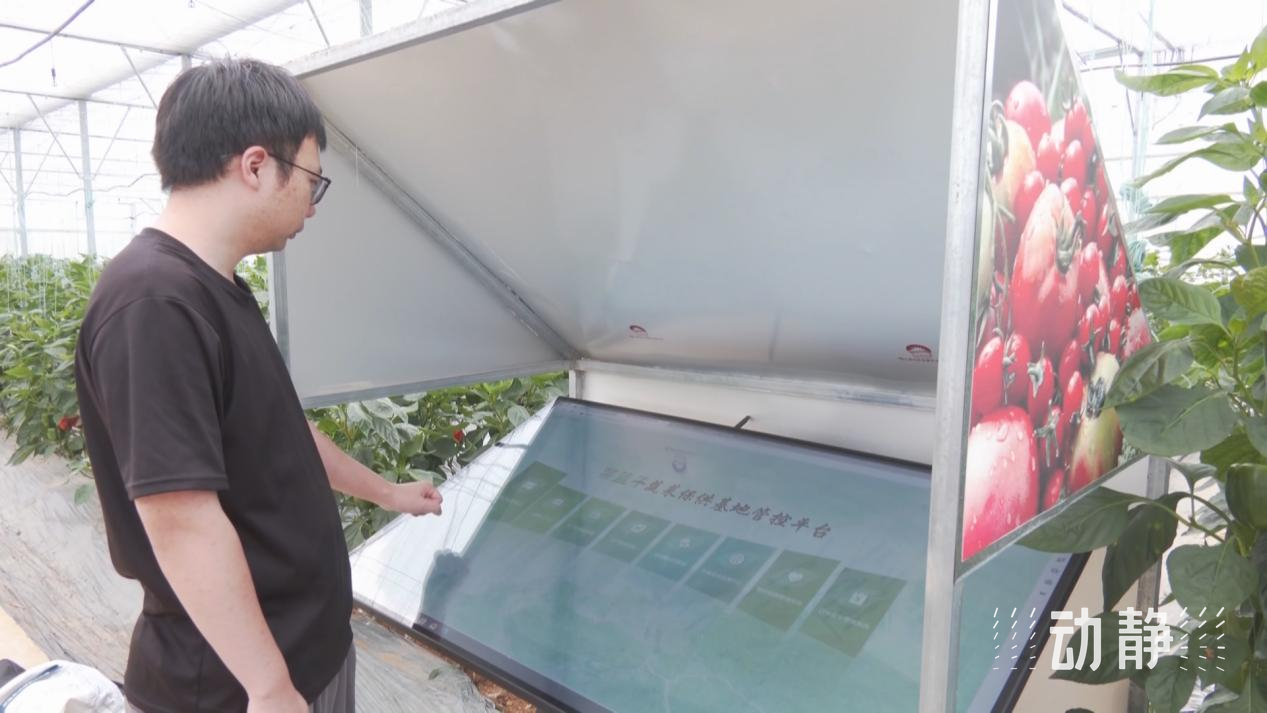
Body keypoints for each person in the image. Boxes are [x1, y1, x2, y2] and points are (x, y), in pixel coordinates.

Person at [73, 58, 443, 713]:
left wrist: (387, 493)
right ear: (255, 165)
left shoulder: (214, 287)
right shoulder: (154, 302)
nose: (312, 205)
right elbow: (180, 518)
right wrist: (268, 684)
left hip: (301, 651)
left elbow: (281, 432)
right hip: (234, 684)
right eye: (311, 180)